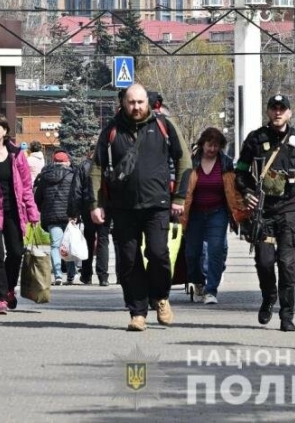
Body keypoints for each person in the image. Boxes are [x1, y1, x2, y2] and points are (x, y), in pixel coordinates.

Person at [90, 83, 185, 332]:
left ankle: (161, 297)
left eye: (140, 102)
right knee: (129, 262)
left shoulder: (163, 126)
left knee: (158, 254)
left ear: (147, 102)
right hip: (123, 207)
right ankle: (138, 312)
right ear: (124, 103)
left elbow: (183, 160)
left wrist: (179, 198)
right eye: (131, 102)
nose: (136, 107)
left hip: (158, 204)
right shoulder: (111, 130)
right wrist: (96, 204)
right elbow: (97, 167)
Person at [235, 95, 295, 333]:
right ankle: (269, 297)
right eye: (274, 108)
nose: (278, 113)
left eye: (282, 109)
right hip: (263, 211)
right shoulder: (255, 139)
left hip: (289, 208)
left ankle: (287, 315)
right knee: (265, 262)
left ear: (289, 113)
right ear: (268, 112)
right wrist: (247, 193)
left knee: (287, 264)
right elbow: (239, 174)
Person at [0, 114, 40, 314]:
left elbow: (26, 185)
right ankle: (0, 298)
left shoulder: (16, 153)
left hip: (14, 211)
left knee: (16, 252)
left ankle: (9, 288)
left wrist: (32, 211)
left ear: (5, 131)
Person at [180, 127, 247, 305]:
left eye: (216, 146)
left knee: (215, 250)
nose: (212, 149)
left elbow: (234, 189)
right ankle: (199, 282)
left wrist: (240, 209)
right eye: (209, 145)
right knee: (192, 253)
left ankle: (211, 290)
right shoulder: (192, 162)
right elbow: (184, 188)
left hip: (218, 213)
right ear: (202, 144)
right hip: (194, 213)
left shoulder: (226, 163)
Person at [34, 149, 77, 285]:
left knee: (55, 245)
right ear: (66, 162)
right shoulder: (72, 175)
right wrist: (76, 213)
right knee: (69, 245)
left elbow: (37, 197)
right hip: (69, 216)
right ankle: (70, 275)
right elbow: (76, 195)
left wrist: (43, 209)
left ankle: (58, 275)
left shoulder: (44, 176)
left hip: (51, 215)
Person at [68, 150, 110, 286]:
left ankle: (86, 275)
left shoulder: (83, 166)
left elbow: (76, 190)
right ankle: (103, 276)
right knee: (103, 240)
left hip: (88, 208)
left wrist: (73, 212)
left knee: (88, 240)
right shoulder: (108, 165)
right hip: (106, 207)